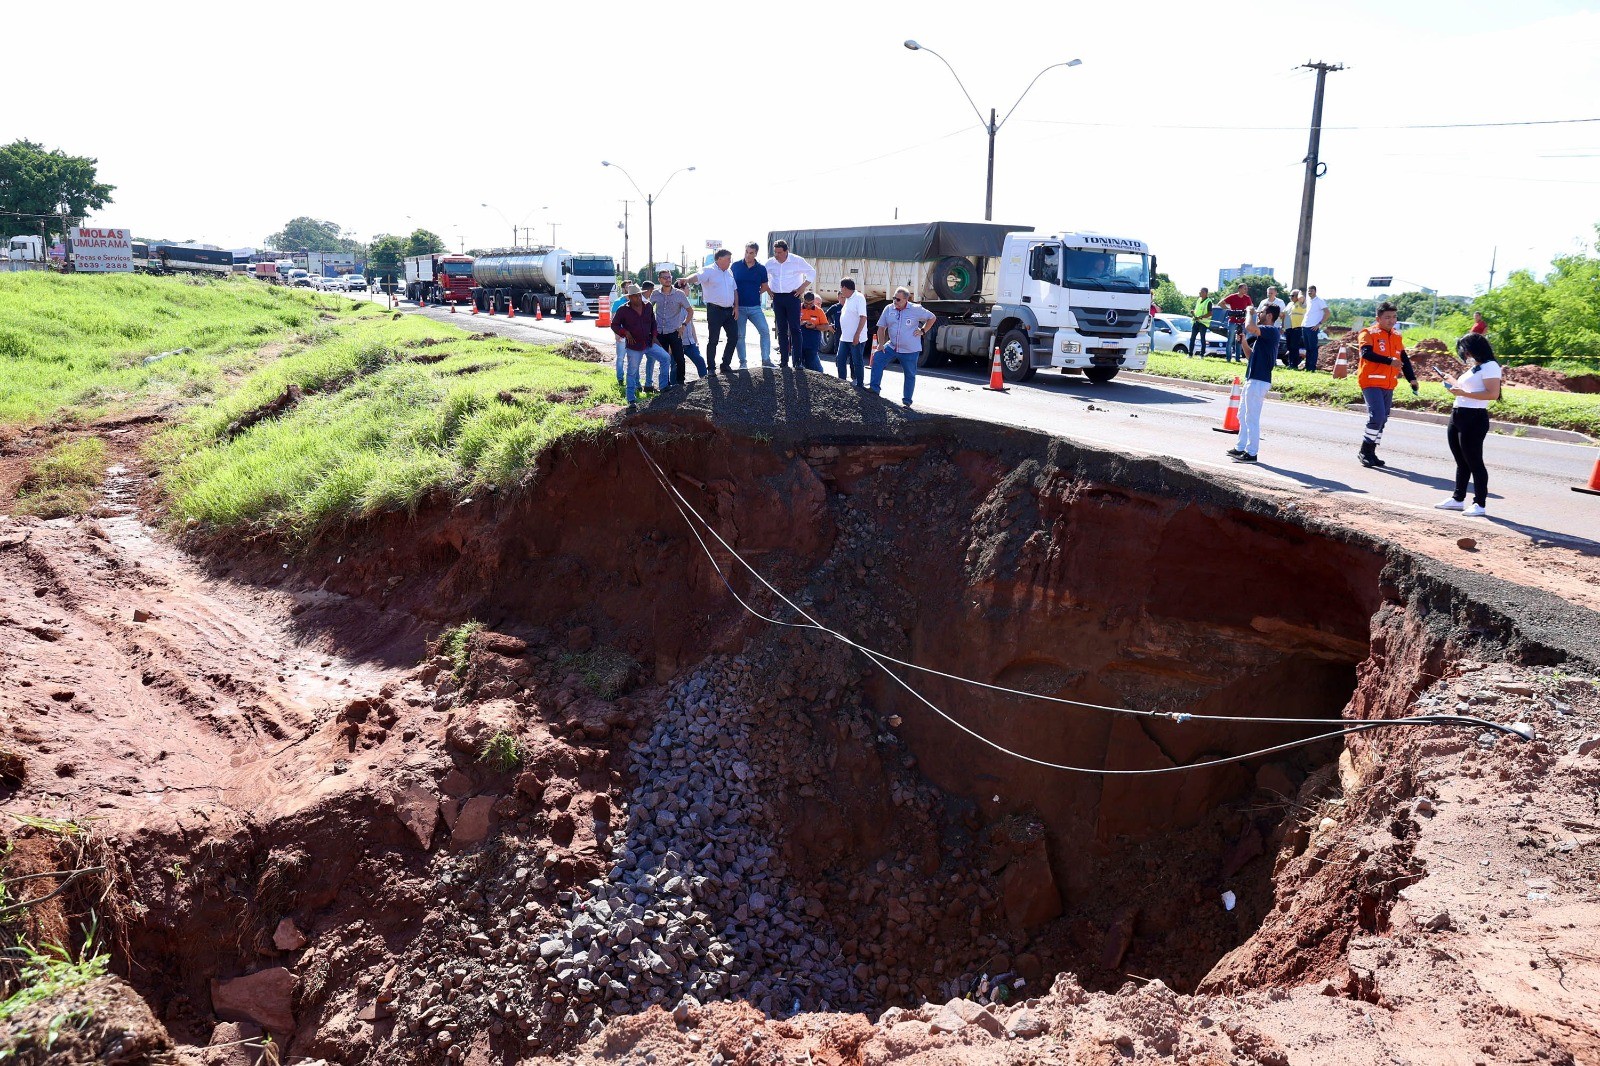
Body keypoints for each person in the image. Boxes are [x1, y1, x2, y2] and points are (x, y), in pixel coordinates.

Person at [1435, 332, 1501, 517]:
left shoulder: (1490, 367)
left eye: (1465, 350)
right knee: (1461, 461)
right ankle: (1457, 499)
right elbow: (1467, 390)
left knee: (1474, 462)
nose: (1464, 354)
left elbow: (1492, 394)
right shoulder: (1476, 367)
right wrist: (1452, 382)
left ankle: (1479, 503)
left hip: (1474, 417)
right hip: (1458, 414)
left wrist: (1463, 394)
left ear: (1475, 349)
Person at [1355, 301, 1418, 468]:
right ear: (1378, 318)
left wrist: (1411, 378)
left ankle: (1371, 452)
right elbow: (1366, 354)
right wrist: (1389, 361)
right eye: (1387, 317)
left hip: (1389, 382)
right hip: (1370, 381)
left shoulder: (1397, 336)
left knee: (1383, 419)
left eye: (1394, 317)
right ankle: (1364, 451)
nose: (1392, 320)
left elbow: (1403, 358)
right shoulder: (1367, 333)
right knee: (1377, 416)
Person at [1228, 305, 1280, 464]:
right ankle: (1240, 447)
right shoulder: (1263, 335)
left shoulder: (1271, 331)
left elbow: (1250, 326)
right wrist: (1243, 341)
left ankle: (1252, 453)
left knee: (1251, 417)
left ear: (1269, 316)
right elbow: (1251, 356)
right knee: (1242, 415)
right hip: (1252, 378)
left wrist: (1249, 312)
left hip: (1259, 381)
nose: (1259, 314)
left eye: (1262, 312)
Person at [870, 287, 934, 407]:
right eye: (894, 298)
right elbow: (881, 327)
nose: (895, 301)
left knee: (910, 374)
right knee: (878, 358)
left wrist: (923, 330)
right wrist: (880, 344)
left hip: (910, 350)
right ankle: (874, 390)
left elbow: (932, 317)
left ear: (906, 299)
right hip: (892, 346)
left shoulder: (916, 309)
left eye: (898, 299)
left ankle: (907, 401)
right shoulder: (889, 309)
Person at [610, 283, 671, 404]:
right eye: (635, 296)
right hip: (634, 346)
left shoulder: (648, 306)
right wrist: (625, 332)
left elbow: (653, 322)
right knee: (632, 371)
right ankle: (631, 398)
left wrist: (654, 336)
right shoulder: (623, 310)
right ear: (630, 297)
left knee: (666, 358)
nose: (638, 298)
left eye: (639, 295)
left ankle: (664, 387)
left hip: (649, 342)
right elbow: (614, 325)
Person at [686, 249, 738, 373]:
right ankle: (711, 368)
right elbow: (697, 277)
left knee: (734, 337)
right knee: (713, 339)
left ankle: (725, 364)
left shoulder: (729, 272)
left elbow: (735, 290)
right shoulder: (709, 270)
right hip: (715, 310)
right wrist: (686, 280)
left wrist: (736, 306)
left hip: (730, 311)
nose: (730, 261)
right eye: (728, 259)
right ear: (719, 259)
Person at [766, 239, 814, 369]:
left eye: (779, 252)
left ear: (786, 251)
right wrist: (769, 290)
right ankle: (783, 361)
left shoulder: (796, 260)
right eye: (775, 252)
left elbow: (812, 272)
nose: (777, 255)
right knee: (781, 330)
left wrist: (802, 287)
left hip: (793, 297)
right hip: (777, 298)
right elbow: (763, 277)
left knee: (795, 328)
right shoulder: (770, 262)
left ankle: (798, 362)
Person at [651, 268, 694, 388]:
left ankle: (680, 383)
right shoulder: (655, 294)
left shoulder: (679, 294)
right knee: (664, 360)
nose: (668, 279)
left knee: (679, 358)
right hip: (660, 332)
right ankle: (665, 385)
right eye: (664, 277)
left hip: (675, 332)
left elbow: (690, 311)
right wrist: (651, 328)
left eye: (669, 277)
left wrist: (684, 325)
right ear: (659, 279)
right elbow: (648, 311)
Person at [731, 241, 772, 368]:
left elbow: (765, 286)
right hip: (739, 307)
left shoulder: (761, 269)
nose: (748, 255)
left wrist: (755, 292)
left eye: (751, 253)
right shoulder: (735, 266)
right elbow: (730, 285)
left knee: (765, 331)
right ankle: (743, 363)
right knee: (740, 336)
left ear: (756, 254)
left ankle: (766, 360)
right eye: (746, 252)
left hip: (755, 307)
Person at [835, 278, 868, 386]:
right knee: (840, 360)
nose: (841, 291)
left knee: (857, 361)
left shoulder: (859, 298)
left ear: (844, 287)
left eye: (841, 288)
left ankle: (860, 384)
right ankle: (842, 382)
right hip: (845, 337)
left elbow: (863, 317)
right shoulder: (848, 299)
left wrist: (857, 335)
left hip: (855, 337)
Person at [676, 280, 709, 379]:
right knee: (675, 366)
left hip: (690, 342)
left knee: (700, 361)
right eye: (687, 288)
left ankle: (705, 382)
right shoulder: (673, 304)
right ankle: (674, 388)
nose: (689, 290)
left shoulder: (688, 304)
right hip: (677, 342)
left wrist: (695, 340)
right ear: (681, 290)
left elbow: (691, 324)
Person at [1220, 282, 1253, 362]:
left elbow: (1251, 306)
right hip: (1232, 321)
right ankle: (1228, 358)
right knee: (1230, 339)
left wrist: (1248, 312)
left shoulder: (1247, 298)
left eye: (1246, 288)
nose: (1246, 290)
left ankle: (1237, 359)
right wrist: (1229, 311)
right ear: (1239, 289)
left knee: (1240, 340)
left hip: (1242, 321)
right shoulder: (1232, 296)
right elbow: (1221, 303)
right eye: (1244, 288)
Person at [798, 292, 830, 372]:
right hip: (798, 339)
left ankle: (819, 377)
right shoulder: (797, 308)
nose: (808, 306)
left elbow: (826, 326)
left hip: (812, 340)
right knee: (798, 364)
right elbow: (790, 322)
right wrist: (801, 323)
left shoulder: (819, 311)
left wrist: (815, 326)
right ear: (803, 300)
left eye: (811, 304)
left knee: (812, 362)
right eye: (806, 303)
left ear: (813, 301)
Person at [1302, 285, 1329, 372]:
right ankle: (1307, 366)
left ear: (1315, 291)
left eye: (1311, 291)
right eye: (1308, 291)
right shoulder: (1308, 301)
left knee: (1313, 348)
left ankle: (1312, 367)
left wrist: (1319, 324)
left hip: (1313, 327)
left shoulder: (1319, 301)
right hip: (1305, 326)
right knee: (1307, 348)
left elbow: (1327, 313)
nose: (1310, 292)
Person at [1283, 289, 1308, 369]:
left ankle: (1294, 364)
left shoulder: (1301, 303)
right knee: (1289, 347)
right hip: (1288, 328)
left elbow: (1301, 298)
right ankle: (1291, 363)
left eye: (1293, 295)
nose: (1291, 297)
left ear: (1297, 296)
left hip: (1296, 328)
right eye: (1290, 295)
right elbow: (1284, 314)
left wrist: (1300, 292)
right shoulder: (1290, 304)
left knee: (1294, 346)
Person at [1189, 287, 1215, 358]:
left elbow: (1210, 313)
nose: (1199, 293)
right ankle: (1190, 354)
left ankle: (1202, 354)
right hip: (1196, 321)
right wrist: (1193, 313)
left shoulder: (1208, 301)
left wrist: (1200, 317)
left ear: (1205, 293)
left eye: (1201, 292)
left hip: (1203, 323)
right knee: (1192, 338)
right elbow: (1197, 310)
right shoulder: (1199, 300)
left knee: (1202, 338)